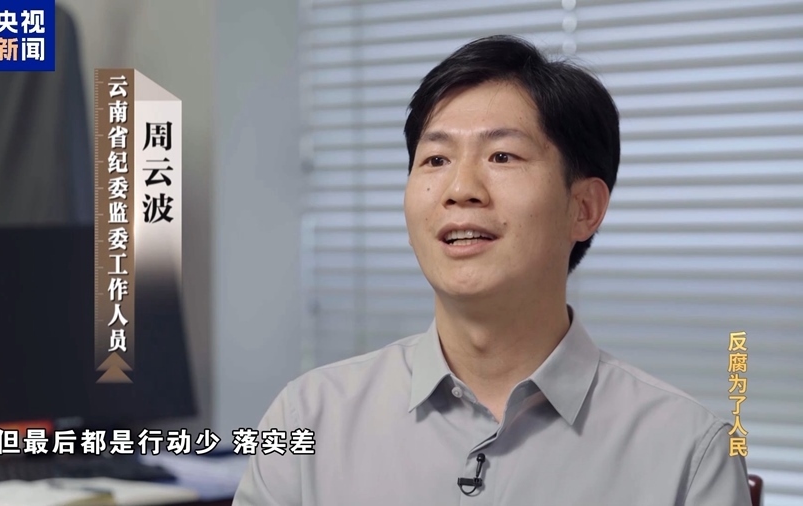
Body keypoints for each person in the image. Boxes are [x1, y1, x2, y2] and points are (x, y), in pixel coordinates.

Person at [233, 35, 752, 505]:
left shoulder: (689, 452)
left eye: (502, 156)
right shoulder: (308, 418)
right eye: (435, 160)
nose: (460, 190)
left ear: (584, 208)